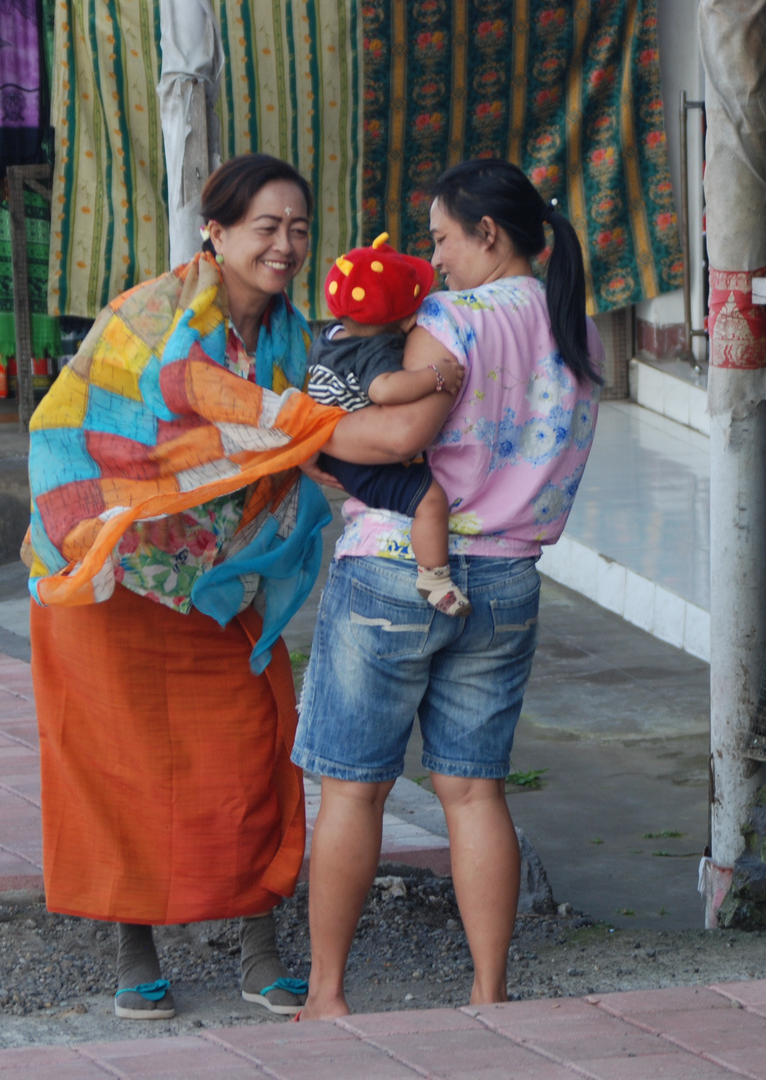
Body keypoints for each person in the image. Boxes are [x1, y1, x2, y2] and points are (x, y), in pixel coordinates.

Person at [25, 154, 345, 1021]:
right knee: (114, 766)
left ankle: (259, 949)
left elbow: (314, 432)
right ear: (217, 231)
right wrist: (267, 427)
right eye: (265, 228)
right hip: (110, 572)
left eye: (298, 229)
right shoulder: (149, 315)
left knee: (255, 753)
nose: (284, 246)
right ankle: (135, 958)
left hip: (223, 582)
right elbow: (112, 422)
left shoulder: (294, 337)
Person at [291, 158, 603, 1017]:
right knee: (473, 791)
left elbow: (399, 440)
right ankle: (488, 991)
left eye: (440, 239)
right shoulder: (578, 325)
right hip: (508, 577)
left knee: (355, 788)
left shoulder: (450, 318)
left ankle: (326, 994)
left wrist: (305, 430)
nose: (436, 258)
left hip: (399, 567)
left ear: (488, 235)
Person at [306, 234, 470, 616]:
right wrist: (436, 377)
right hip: (362, 458)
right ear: (409, 320)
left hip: (337, 448)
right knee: (430, 501)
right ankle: (434, 578)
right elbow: (383, 389)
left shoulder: (329, 336)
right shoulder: (376, 350)